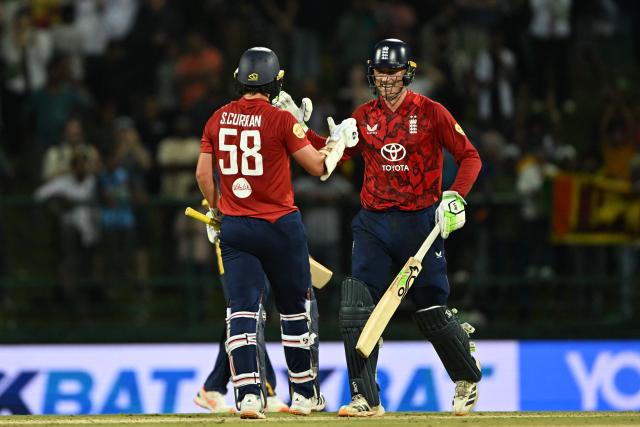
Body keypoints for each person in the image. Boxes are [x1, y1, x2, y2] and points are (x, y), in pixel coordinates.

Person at [276, 38, 483, 417]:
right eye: (380, 73)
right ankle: (365, 397)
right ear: (371, 74)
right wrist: (298, 127)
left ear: (408, 73)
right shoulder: (363, 116)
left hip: (420, 221)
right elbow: (332, 154)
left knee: (431, 311)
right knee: (356, 307)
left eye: (393, 72)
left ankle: (466, 376)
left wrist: (456, 196)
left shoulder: (431, 112)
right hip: (373, 222)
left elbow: (469, 156)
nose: (387, 80)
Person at [195, 46, 358, 419]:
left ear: (239, 80)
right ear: (276, 82)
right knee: (294, 311)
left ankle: (249, 396)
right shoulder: (281, 120)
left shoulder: (217, 118)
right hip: (280, 228)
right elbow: (318, 167)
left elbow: (204, 175)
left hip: (236, 228)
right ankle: (302, 395)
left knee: (242, 312)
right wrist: (337, 145)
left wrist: (220, 208)